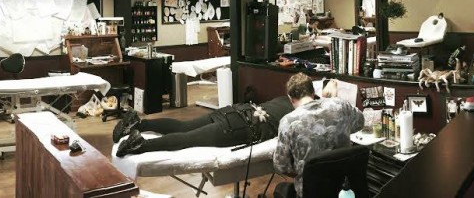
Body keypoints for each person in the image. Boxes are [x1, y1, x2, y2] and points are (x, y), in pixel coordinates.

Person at [113, 93, 295, 156]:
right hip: (242, 126)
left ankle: (138, 123)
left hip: (235, 111)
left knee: (184, 127)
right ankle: (140, 145)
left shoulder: (285, 98)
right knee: (188, 139)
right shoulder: (299, 116)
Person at [273, 73, 364, 197]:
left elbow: (282, 166)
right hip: (344, 187)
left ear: (290, 98)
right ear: (313, 92)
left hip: (311, 191)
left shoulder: (287, 122)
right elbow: (360, 123)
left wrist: (303, 170)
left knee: (281, 189)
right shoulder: (341, 105)